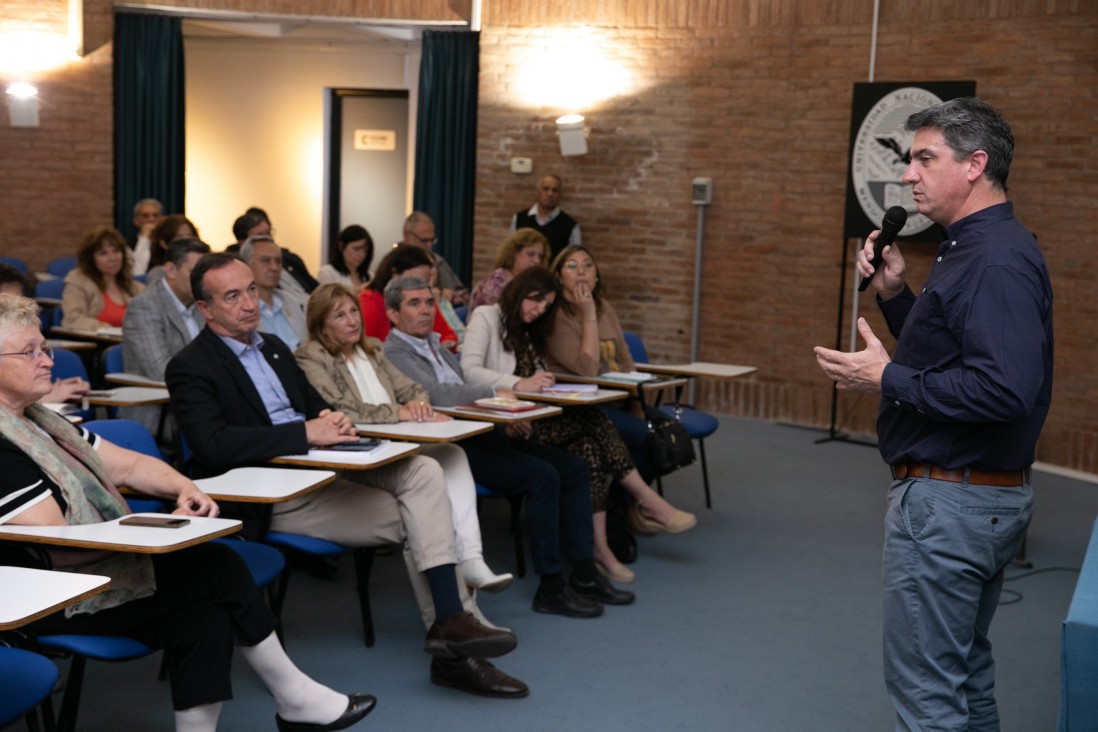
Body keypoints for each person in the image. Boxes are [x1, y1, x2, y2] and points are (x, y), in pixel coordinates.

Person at [0, 293, 375, 732]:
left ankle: (288, 705)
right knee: (215, 565)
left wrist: (184, 489)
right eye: (30, 352)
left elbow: (130, 464)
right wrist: (149, 538)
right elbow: (57, 546)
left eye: (44, 347)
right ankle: (295, 698)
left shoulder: (44, 422)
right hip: (53, 598)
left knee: (204, 620)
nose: (48, 360)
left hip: (97, 573)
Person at [165, 254, 527, 698]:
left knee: (424, 473)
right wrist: (303, 433)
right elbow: (212, 444)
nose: (249, 304)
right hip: (274, 495)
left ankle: (452, 626)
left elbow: (314, 402)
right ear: (205, 308)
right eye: (232, 296)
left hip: (325, 468)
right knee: (427, 515)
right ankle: (458, 649)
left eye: (252, 290)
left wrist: (330, 421)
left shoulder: (274, 348)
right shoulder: (190, 365)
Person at [813, 97, 1052, 732]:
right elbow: (953, 354)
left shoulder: (995, 259)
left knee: (929, 698)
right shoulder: (971, 247)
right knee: (964, 677)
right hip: (973, 498)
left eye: (924, 158)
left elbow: (1004, 390)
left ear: (975, 165)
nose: (909, 174)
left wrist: (886, 375)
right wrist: (895, 297)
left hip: (951, 504)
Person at [383, 276, 633, 615]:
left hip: (483, 430)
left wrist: (505, 413)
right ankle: (551, 586)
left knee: (574, 467)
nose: (426, 310)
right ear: (393, 314)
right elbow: (437, 396)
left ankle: (585, 573)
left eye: (429, 302)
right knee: (543, 476)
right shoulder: (394, 352)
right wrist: (498, 395)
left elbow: (462, 387)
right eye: (415, 304)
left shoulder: (434, 344)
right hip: (454, 447)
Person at [462, 267, 696, 584]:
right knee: (594, 421)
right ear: (520, 292)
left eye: (545, 307)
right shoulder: (486, 317)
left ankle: (599, 551)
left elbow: (538, 374)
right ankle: (646, 502)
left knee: (590, 450)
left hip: (534, 414)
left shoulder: (526, 330)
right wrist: (521, 383)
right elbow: (469, 372)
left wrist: (543, 382)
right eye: (535, 301)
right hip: (505, 422)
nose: (538, 310)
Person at [293, 283, 513, 593]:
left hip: (397, 443)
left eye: (354, 311)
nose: (353, 320)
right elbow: (342, 411)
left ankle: (472, 559)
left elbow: (413, 389)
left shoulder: (372, 348)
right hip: (358, 455)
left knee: (453, 453)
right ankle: (459, 583)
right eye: (340, 316)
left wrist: (416, 405)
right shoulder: (310, 356)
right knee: (432, 471)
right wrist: (399, 413)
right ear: (321, 326)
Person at [545, 244, 657, 485]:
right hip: (587, 407)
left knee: (663, 429)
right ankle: (629, 507)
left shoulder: (605, 308)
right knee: (643, 435)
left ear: (596, 275)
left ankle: (627, 506)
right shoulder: (555, 315)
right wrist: (587, 315)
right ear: (558, 276)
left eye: (588, 265)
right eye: (572, 266)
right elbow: (587, 369)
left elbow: (626, 360)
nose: (581, 271)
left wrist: (637, 403)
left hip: (622, 399)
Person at [121, 237, 210, 437]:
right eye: (195, 272)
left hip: (202, 403)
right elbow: (163, 371)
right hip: (162, 414)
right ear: (171, 270)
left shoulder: (200, 303)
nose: (203, 281)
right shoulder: (144, 306)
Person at [358, 245, 457, 349]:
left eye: (425, 281)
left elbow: (449, 337)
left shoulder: (424, 300)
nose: (420, 287)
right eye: (413, 281)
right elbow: (366, 349)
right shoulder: (369, 303)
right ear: (394, 275)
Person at [61, 227, 144, 330]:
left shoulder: (136, 288)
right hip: (99, 343)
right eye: (103, 253)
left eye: (116, 251)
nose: (113, 258)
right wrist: (104, 329)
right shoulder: (78, 282)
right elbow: (72, 320)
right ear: (91, 259)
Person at [239, 235, 307, 350]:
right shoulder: (241, 307)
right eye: (265, 261)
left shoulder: (291, 301)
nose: (274, 267)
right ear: (246, 265)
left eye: (278, 261)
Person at [230, 208, 319, 297]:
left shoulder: (290, 258)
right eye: (260, 236)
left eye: (268, 232)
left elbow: (316, 288)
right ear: (242, 243)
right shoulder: (235, 269)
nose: (268, 238)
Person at [469, 228, 548, 315]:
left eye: (540, 256)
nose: (537, 261)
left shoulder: (527, 282)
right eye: (530, 254)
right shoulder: (495, 285)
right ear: (514, 253)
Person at [401, 211, 467, 306]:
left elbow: (462, 293)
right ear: (406, 236)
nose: (429, 245)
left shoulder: (439, 262)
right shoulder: (395, 265)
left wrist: (455, 296)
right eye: (424, 240)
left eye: (432, 240)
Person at [509, 175, 581, 260]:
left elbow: (575, 259)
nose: (550, 194)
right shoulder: (519, 219)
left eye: (555, 190)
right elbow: (510, 251)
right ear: (538, 191)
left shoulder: (570, 226)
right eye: (546, 189)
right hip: (524, 273)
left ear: (560, 194)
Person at [144, 214, 199, 287]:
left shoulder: (203, 267)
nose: (187, 242)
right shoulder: (158, 274)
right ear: (164, 243)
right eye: (180, 238)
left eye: (190, 236)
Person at [318, 225, 373, 290]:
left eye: (365, 251)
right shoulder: (327, 272)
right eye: (356, 249)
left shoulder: (370, 275)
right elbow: (329, 298)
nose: (361, 255)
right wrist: (359, 290)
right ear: (341, 246)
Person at [130, 198, 163, 275]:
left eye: (155, 215)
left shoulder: (167, 244)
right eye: (145, 216)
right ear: (136, 221)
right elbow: (135, 272)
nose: (151, 219)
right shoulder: (129, 245)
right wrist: (144, 238)